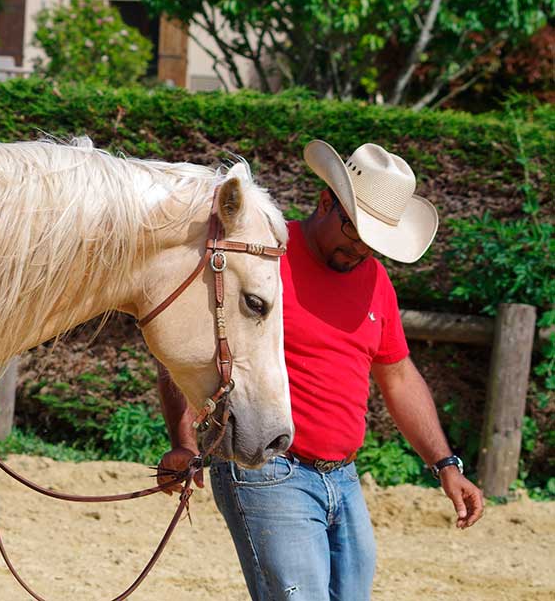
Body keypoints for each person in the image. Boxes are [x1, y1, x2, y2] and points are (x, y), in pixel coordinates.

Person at [157, 140, 485, 601]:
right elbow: (188, 347)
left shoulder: (375, 281)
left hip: (344, 477)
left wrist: (445, 464)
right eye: (355, 234)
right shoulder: (262, 259)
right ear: (326, 201)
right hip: (268, 472)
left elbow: (399, 375)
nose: (361, 252)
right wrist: (184, 442)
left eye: (374, 244)